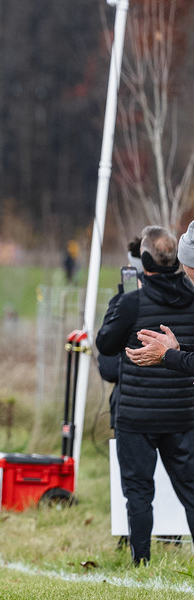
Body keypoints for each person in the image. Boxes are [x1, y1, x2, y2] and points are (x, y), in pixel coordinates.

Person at [101, 224, 194, 565]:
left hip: (137, 416)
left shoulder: (131, 301)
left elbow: (105, 344)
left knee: (139, 493)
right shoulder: (191, 297)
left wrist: (119, 301)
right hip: (182, 414)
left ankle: (141, 562)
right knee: (191, 492)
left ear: (145, 261)